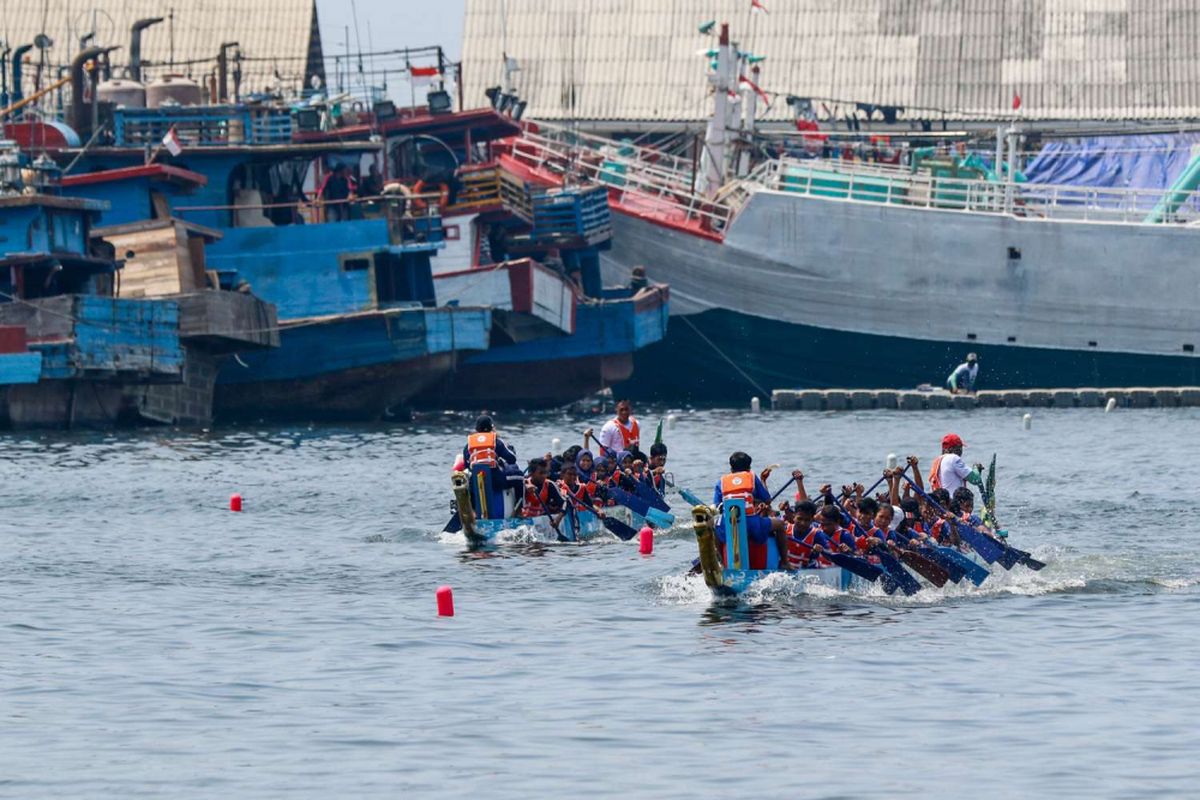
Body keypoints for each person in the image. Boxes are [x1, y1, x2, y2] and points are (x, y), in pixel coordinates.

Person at [712, 451, 797, 571]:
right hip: (751, 522)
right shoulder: (751, 476)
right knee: (780, 525)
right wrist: (762, 481)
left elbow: (717, 505)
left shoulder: (721, 481)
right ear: (749, 467)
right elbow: (767, 499)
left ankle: (720, 563)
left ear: (731, 468)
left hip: (729, 522)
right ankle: (784, 562)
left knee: (713, 528)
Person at [462, 416, 517, 519]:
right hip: (496, 480)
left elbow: (466, 465)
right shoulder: (496, 441)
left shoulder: (469, 444)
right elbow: (512, 459)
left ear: (476, 429)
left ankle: (472, 512)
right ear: (492, 428)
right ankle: (520, 509)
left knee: (466, 482)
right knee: (520, 476)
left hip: (475, 484)